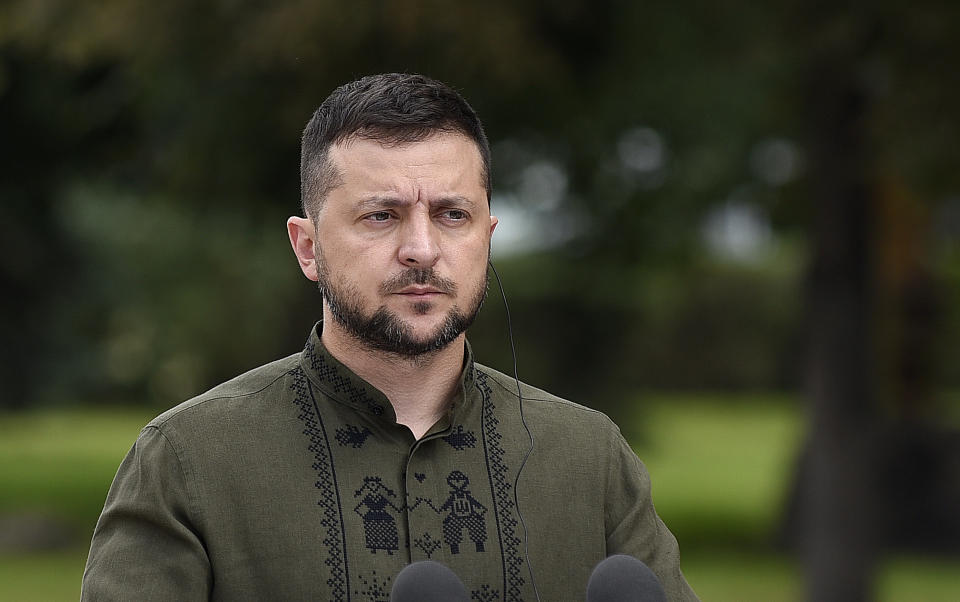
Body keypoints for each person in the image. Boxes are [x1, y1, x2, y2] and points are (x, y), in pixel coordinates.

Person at [81, 73, 698, 601]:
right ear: (308, 247)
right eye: (381, 215)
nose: (422, 249)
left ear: (488, 234)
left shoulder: (590, 458)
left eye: (453, 215)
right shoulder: (189, 462)